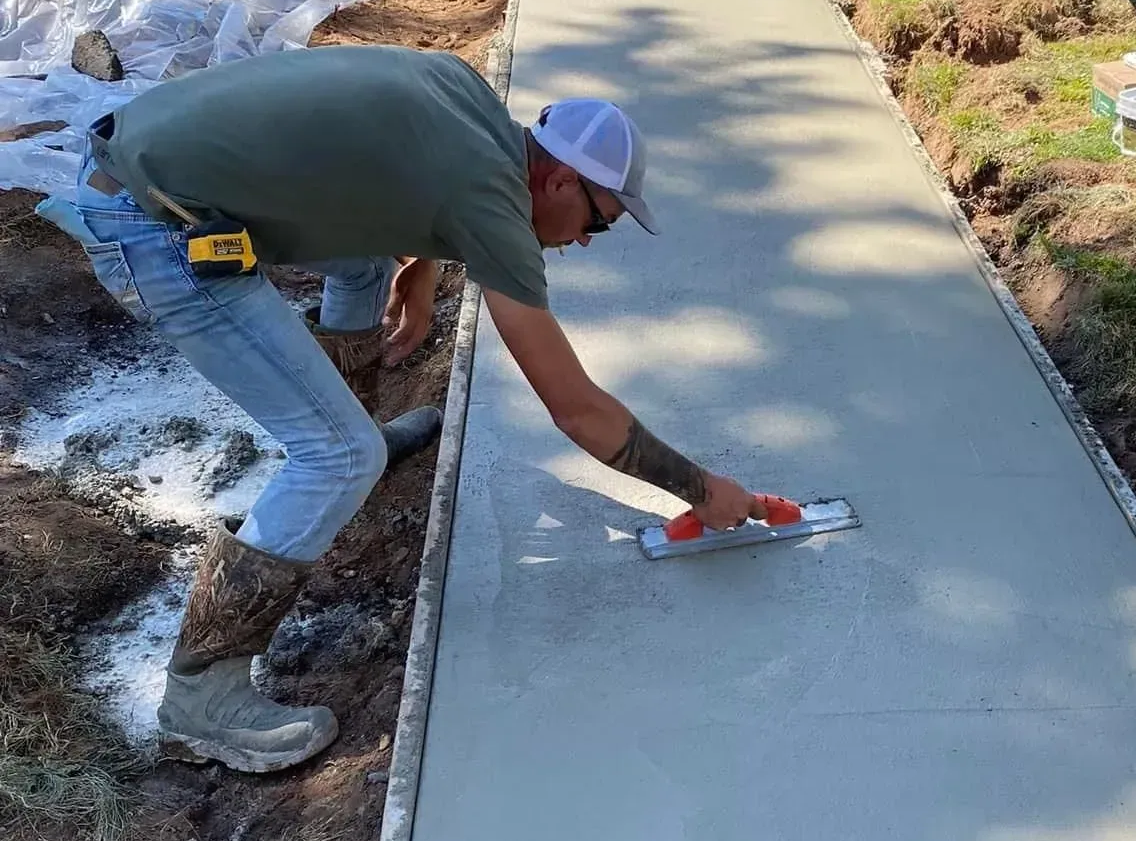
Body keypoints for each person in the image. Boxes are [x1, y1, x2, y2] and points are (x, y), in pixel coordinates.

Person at [37, 44, 761, 774]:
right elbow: (576, 410)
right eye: (596, 223)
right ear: (562, 178)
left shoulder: (468, 100)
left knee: (360, 266)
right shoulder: (491, 201)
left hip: (149, 155)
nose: (581, 241)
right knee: (339, 454)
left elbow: (399, 167)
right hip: (151, 223)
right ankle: (200, 695)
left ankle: (355, 436)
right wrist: (703, 490)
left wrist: (419, 268)